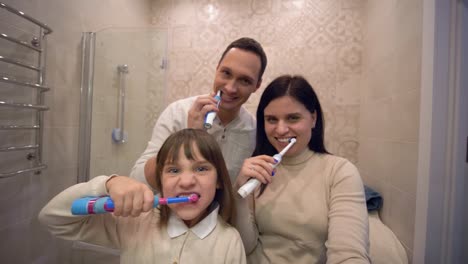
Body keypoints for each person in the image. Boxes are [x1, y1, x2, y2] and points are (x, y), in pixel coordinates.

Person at [39, 129, 246, 264]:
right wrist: (108, 183)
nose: (186, 181)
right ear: (160, 181)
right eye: (173, 171)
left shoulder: (229, 242)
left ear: (219, 179)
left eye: (201, 169)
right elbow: (52, 218)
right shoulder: (137, 222)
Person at [234, 75, 371, 263]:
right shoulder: (257, 170)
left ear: (313, 118)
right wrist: (238, 194)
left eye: (293, 118)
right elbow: (246, 246)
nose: (281, 130)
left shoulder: (339, 172)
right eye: (272, 119)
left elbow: (348, 253)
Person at [130, 37, 268, 189]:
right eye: (226, 73)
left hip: (224, 213)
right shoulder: (177, 113)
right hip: (174, 210)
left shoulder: (254, 131)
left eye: (245, 81)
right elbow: (137, 178)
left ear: (257, 85)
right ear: (217, 69)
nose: (230, 88)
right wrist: (190, 137)